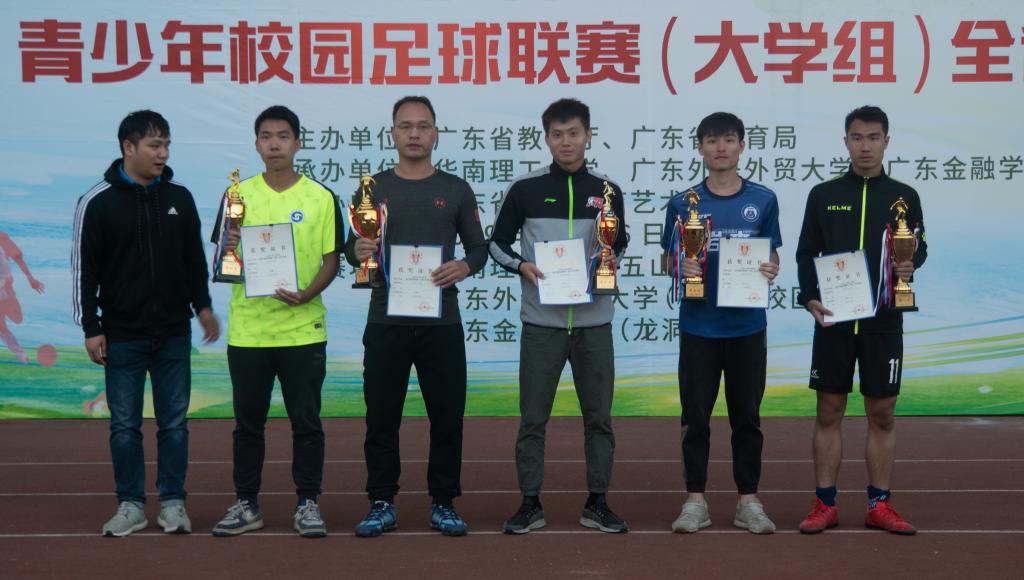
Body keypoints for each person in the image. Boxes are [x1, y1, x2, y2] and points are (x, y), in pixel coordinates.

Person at [344, 96, 488, 537]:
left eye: (422, 126)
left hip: (441, 322)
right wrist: (357, 250)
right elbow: (351, 247)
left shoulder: (456, 189)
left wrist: (463, 266)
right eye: (405, 126)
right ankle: (381, 501)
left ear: (435, 134)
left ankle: (443, 502)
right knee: (381, 417)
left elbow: (479, 248)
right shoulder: (371, 189)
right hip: (385, 320)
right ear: (392, 133)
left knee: (446, 417)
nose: (413, 134)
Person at [72, 110, 220, 536]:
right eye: (155, 145)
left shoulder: (179, 198)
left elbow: (193, 260)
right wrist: (90, 327)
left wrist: (202, 307)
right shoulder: (96, 201)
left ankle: (173, 503)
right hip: (122, 334)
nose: (163, 154)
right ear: (128, 147)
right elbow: (84, 270)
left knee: (174, 424)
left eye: (167, 145)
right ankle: (131, 504)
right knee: (124, 425)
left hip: (173, 331)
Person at [490, 98, 629, 534]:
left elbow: (618, 243)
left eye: (574, 133)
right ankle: (530, 503)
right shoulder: (524, 189)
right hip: (541, 324)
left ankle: (597, 503)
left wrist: (611, 258)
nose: (566, 142)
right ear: (546, 138)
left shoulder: (608, 191)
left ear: (588, 135)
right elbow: (496, 244)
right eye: (557, 134)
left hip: (594, 324)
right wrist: (522, 266)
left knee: (599, 420)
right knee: (533, 419)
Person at [210, 105, 343, 538]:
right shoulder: (237, 195)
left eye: (283, 136)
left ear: (297, 143)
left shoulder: (320, 197)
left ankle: (308, 503)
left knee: (306, 423)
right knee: (248, 425)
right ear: (256, 145)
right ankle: (247, 504)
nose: (274, 144)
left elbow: (332, 260)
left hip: (303, 330)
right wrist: (229, 247)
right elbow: (221, 263)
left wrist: (307, 294)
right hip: (249, 332)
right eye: (266, 137)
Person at [795, 105, 927, 535]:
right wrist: (810, 298)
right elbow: (805, 253)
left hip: (883, 322)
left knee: (882, 413)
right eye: (857, 137)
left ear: (886, 141)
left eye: (873, 137)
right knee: (829, 409)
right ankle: (825, 503)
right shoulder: (823, 194)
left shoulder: (904, 196)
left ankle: (879, 505)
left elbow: (919, 248)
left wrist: (910, 265)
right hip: (834, 320)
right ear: (846, 141)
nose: (865, 146)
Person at [659, 112, 782, 534]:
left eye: (729, 140)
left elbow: (773, 254)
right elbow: (667, 259)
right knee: (695, 417)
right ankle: (695, 500)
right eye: (712, 141)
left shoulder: (763, 199)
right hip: (699, 327)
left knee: (747, 417)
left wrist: (771, 268)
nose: (721, 148)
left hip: (747, 327)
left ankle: (748, 501)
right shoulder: (683, 203)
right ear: (700, 148)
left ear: (742, 146)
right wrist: (682, 264)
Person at [0, 231, 45, 363]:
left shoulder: (2, 238)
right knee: (1, 326)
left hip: (7, 289)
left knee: (17, 319)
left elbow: (18, 258)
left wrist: (30, 278)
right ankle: (20, 354)